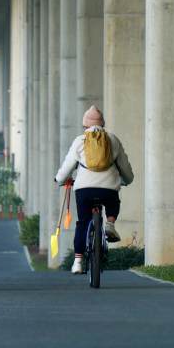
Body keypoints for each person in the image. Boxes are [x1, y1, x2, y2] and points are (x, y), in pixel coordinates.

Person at [55, 105, 134, 274]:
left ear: (85, 125)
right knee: (113, 202)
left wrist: (59, 179)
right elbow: (124, 166)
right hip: (108, 188)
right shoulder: (113, 139)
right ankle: (110, 224)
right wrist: (127, 179)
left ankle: (77, 262)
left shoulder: (80, 140)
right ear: (102, 123)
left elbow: (68, 165)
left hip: (84, 189)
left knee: (82, 223)